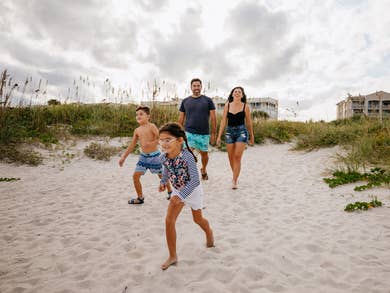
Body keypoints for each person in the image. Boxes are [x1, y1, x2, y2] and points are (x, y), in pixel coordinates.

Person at [158, 123, 214, 270]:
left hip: (193, 191)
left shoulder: (187, 156)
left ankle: (209, 232)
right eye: (161, 140)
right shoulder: (163, 156)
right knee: (169, 220)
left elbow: (195, 180)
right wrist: (163, 181)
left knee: (198, 219)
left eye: (168, 139)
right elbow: (166, 168)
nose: (164, 143)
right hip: (177, 190)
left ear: (180, 140)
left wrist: (182, 195)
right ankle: (173, 256)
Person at [119, 106, 172, 204]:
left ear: (148, 116)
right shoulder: (137, 130)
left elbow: (160, 138)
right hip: (143, 157)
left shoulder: (151, 126)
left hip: (155, 157)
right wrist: (123, 157)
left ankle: (170, 192)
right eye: (137, 115)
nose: (138, 116)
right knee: (135, 176)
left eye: (141, 114)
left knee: (161, 175)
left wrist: (152, 143)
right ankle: (140, 198)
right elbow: (132, 145)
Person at [178, 78, 217, 180]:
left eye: (198, 86)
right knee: (188, 154)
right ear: (191, 87)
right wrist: (179, 132)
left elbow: (213, 118)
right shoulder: (185, 101)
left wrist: (213, 134)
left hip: (204, 133)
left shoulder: (208, 100)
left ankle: (203, 169)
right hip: (189, 132)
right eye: (194, 86)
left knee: (204, 155)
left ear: (201, 87)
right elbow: (181, 118)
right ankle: (190, 174)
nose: (196, 88)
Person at [216, 86, 254, 189]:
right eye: (235, 91)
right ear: (232, 94)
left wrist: (252, 136)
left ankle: (234, 180)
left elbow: (249, 122)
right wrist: (219, 136)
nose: (237, 93)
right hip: (229, 132)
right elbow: (223, 121)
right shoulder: (227, 105)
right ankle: (235, 174)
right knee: (230, 157)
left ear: (242, 95)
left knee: (237, 157)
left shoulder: (245, 106)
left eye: (239, 92)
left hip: (241, 132)